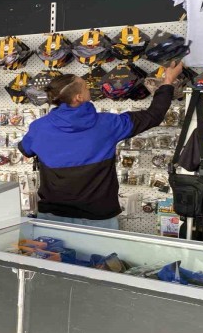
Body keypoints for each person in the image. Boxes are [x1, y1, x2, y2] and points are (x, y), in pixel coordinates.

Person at [18, 61, 183, 229]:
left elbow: (25, 150)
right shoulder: (107, 124)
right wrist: (167, 81)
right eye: (85, 86)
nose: (90, 88)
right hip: (98, 217)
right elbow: (153, 115)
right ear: (78, 97)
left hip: (52, 217)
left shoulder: (39, 127)